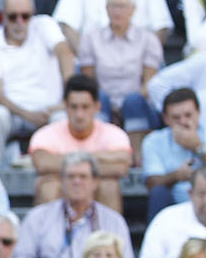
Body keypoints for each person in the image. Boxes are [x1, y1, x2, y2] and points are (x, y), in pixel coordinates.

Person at [15, 152, 132, 258]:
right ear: (62, 181)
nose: (77, 182)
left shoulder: (113, 221)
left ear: (95, 182)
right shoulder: (38, 217)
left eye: (83, 177)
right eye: (71, 177)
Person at [0, 0, 72, 159]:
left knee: (63, 118)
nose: (19, 22)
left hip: (51, 111)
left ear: (32, 14)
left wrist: (68, 98)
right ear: (3, 16)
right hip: (13, 114)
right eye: (13, 17)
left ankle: (63, 172)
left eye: (25, 16)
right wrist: (29, 115)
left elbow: (64, 54)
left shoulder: (45, 24)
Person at [77, 0, 165, 152]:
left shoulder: (148, 39)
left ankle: (136, 154)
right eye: (113, 6)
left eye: (122, 6)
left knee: (134, 102)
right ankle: (99, 152)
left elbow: (149, 83)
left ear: (133, 9)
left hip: (137, 102)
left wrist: (122, 106)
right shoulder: (91, 38)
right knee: (97, 99)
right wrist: (111, 106)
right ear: (106, 8)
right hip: (104, 101)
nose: (117, 11)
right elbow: (88, 82)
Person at [28, 75, 131, 209]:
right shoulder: (46, 133)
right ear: (65, 107)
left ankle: (107, 225)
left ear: (97, 107)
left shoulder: (114, 134)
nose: (79, 114)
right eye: (74, 107)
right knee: (48, 186)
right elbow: (42, 164)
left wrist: (67, 164)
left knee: (109, 186)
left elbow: (120, 167)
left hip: (95, 190)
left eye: (85, 107)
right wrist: (97, 159)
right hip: (61, 188)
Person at [143, 86, 206, 221]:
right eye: (176, 117)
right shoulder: (154, 141)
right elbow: (151, 183)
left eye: (188, 115)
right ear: (165, 119)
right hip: (173, 205)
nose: (183, 122)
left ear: (199, 113)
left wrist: (198, 147)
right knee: (158, 193)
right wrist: (176, 176)